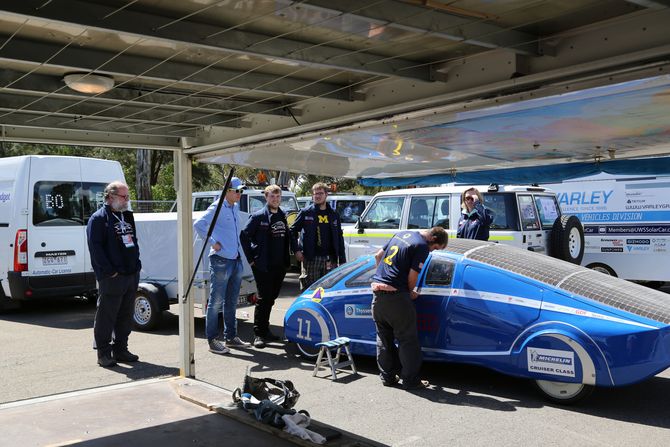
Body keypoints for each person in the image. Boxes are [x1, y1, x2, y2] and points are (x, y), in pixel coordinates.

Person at [371, 227, 448, 390]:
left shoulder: (401, 234)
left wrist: (383, 280)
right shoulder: (421, 246)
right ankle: (410, 380)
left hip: (378, 294)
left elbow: (378, 255)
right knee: (408, 339)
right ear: (433, 238)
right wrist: (410, 292)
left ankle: (387, 377)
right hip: (397, 297)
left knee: (384, 338)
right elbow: (413, 276)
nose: (432, 251)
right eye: (435, 248)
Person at [86, 181, 142, 368]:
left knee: (125, 314)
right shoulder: (99, 218)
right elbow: (96, 249)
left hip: (131, 273)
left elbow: (133, 241)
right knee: (107, 315)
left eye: (128, 196)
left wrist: (136, 265)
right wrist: (110, 272)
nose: (127, 200)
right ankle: (103, 353)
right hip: (112, 276)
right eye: (123, 197)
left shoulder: (127, 216)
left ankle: (121, 349)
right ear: (110, 197)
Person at [194, 177, 251, 354]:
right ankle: (212, 340)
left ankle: (231, 337)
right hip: (221, 260)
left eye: (241, 191)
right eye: (237, 191)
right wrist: (212, 242)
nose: (239, 194)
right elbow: (198, 224)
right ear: (227, 191)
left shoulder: (234, 207)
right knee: (216, 302)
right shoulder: (217, 207)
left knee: (231, 301)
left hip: (235, 259)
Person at [240, 185, 294, 349]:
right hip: (262, 265)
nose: (275, 199)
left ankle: (266, 329)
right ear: (266, 197)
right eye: (272, 197)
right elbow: (244, 236)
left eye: (278, 197)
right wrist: (251, 259)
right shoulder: (257, 217)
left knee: (271, 298)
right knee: (263, 299)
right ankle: (258, 334)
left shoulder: (283, 216)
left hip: (280, 265)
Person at [290, 182, 346, 291]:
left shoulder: (334, 214)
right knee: (310, 290)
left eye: (320, 193)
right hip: (311, 259)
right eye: (315, 194)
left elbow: (339, 237)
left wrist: (342, 259)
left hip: (330, 259)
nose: (317, 196)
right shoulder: (306, 212)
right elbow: (292, 231)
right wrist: (296, 250)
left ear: (326, 195)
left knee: (328, 291)